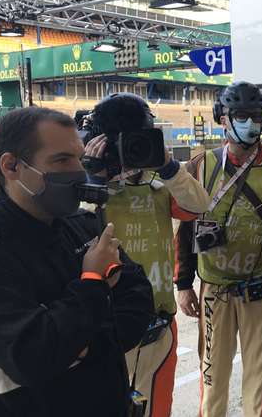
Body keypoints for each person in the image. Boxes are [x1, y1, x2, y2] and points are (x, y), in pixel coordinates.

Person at [0, 107, 154, 416]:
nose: (78, 169)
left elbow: (139, 302)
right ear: (11, 167)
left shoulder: (82, 225)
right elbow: (33, 357)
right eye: (62, 160)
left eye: (78, 157)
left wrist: (78, 347)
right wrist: (92, 282)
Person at [169, 81, 262, 416]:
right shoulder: (200, 167)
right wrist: (183, 283)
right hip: (214, 291)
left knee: (260, 377)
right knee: (212, 376)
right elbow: (184, 229)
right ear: (223, 118)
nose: (251, 123)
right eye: (241, 115)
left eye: (256, 115)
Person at [82, 93, 199, 417]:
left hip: (158, 327)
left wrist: (168, 166)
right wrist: (94, 182)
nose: (131, 151)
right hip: (108, 331)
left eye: (138, 140)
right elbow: (73, 233)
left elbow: (197, 206)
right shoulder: (87, 186)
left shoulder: (159, 186)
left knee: (158, 410)